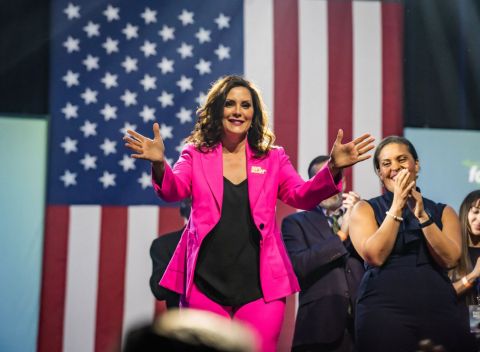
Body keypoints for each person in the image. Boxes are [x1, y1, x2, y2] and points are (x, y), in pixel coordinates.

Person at [124, 75, 374, 351]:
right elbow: (174, 190)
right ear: (218, 109)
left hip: (260, 288)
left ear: (254, 113)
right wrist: (160, 164)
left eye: (245, 105)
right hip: (203, 283)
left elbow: (300, 196)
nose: (237, 111)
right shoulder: (194, 154)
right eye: (230, 104)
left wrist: (334, 168)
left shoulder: (273, 157)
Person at [349, 135, 474, 352]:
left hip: (437, 309)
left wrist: (423, 216)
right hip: (382, 311)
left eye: (402, 159)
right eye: (386, 164)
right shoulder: (364, 210)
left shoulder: (443, 212)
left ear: (416, 165)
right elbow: (374, 256)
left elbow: (450, 258)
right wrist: (397, 205)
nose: (395, 167)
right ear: (380, 173)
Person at [281, 155, 364, 352]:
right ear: (313, 185)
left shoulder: (361, 219)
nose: (328, 186)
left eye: (334, 180)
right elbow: (299, 266)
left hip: (362, 330)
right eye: (321, 180)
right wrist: (341, 235)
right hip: (318, 329)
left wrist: (362, 215)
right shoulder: (295, 223)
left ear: (342, 183)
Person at [449, 190, 480, 346]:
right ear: (465, 211)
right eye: (476, 212)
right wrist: (473, 275)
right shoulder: (452, 251)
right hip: (456, 335)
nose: (479, 219)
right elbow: (442, 294)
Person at [149, 198, 191, 309]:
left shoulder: (226, 243)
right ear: (184, 209)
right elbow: (159, 291)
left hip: (220, 323)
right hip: (183, 323)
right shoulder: (164, 245)